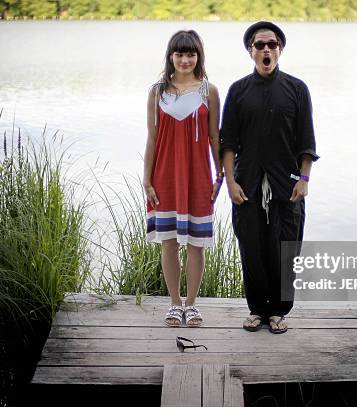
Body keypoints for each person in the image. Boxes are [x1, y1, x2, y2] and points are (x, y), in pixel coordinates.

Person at [220, 21, 319, 334]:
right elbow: (228, 144)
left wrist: (304, 179)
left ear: (280, 50)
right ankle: (257, 310)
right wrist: (230, 182)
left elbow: (307, 140)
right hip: (247, 184)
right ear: (250, 51)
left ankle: (278, 311)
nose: (266, 49)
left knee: (286, 249)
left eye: (272, 44)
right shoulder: (238, 91)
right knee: (251, 247)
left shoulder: (297, 89)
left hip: (287, 184)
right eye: (259, 45)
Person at [144, 30, 222, 328]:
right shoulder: (156, 91)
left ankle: (192, 304)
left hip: (198, 175)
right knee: (169, 242)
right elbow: (152, 138)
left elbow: (215, 137)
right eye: (180, 54)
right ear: (171, 56)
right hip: (164, 175)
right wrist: (146, 179)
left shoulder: (208, 91)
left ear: (198, 56)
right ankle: (174, 303)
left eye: (191, 54)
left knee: (196, 244)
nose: (185, 59)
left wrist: (220, 175)